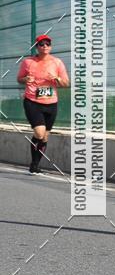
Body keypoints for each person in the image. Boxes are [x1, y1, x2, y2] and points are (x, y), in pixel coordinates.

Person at [17, 35, 70, 174]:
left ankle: (35, 164)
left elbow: (66, 84)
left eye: (47, 44)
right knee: (39, 133)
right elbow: (19, 79)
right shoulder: (28, 62)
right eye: (41, 44)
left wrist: (57, 79)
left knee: (45, 137)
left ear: (50, 47)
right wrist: (25, 79)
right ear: (37, 47)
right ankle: (34, 164)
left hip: (51, 103)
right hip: (32, 101)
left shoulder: (57, 62)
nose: (44, 46)